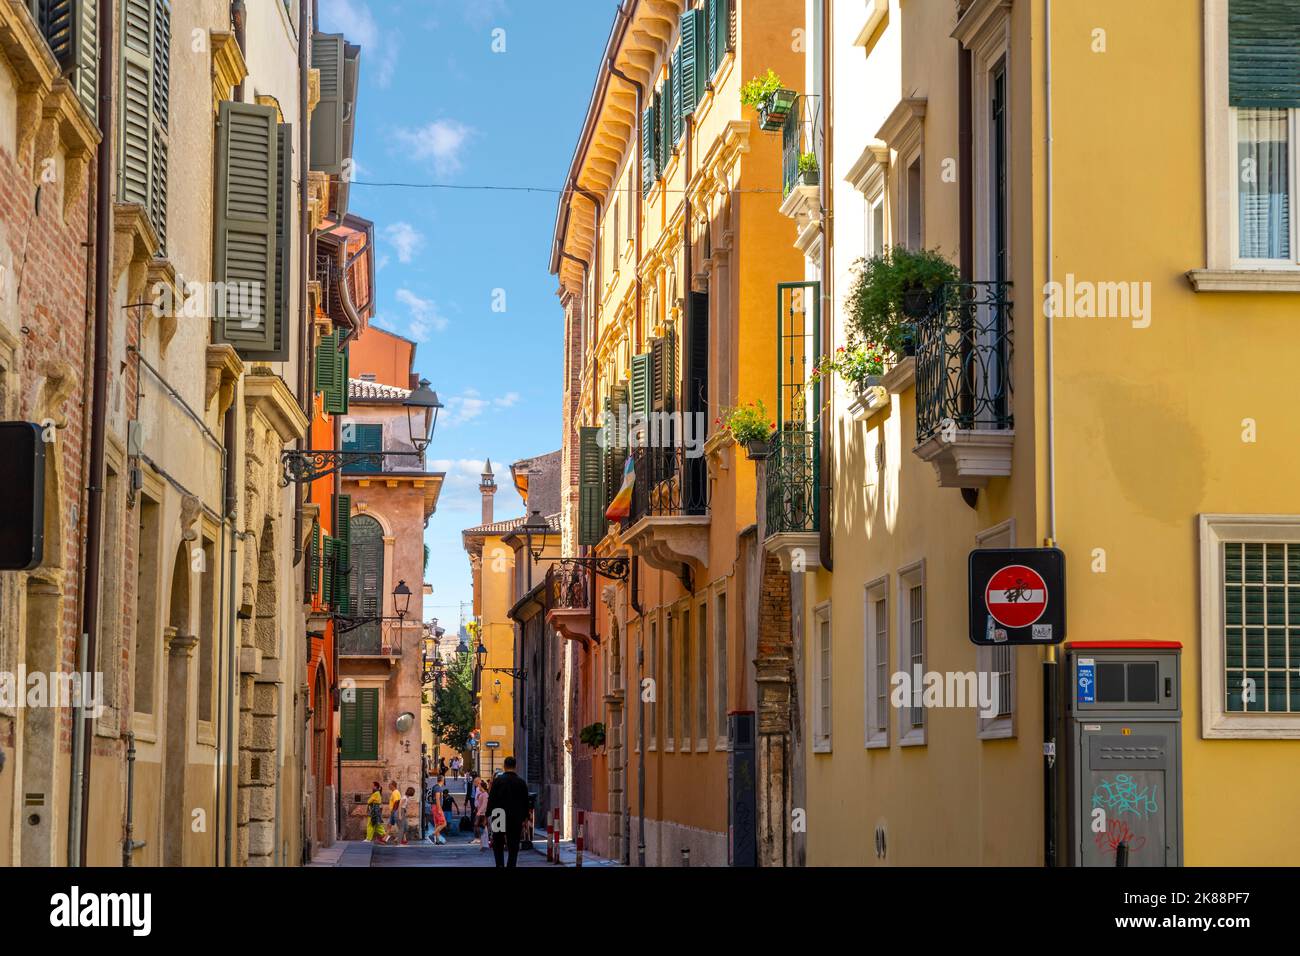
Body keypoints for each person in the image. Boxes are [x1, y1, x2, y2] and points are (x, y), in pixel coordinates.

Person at [486, 756, 532, 868]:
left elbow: (491, 799)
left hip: (498, 815)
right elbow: (525, 801)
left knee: (498, 843)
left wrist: (488, 815)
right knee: (513, 843)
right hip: (515, 816)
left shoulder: (497, 782)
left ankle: (500, 865)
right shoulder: (521, 783)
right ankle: (511, 864)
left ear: (504, 766)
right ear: (515, 766)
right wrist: (526, 817)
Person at [473, 776, 490, 851]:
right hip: (481, 813)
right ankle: (483, 844)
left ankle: (485, 845)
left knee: (483, 829)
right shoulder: (482, 794)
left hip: (483, 814)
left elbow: (484, 805)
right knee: (482, 829)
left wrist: (479, 812)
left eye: (479, 786)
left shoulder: (485, 794)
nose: (478, 787)